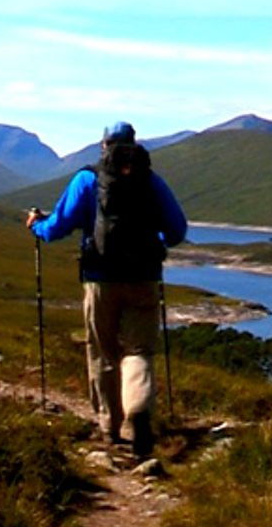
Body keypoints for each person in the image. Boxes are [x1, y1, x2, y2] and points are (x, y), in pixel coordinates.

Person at [27, 121, 187, 458]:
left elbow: (58, 226)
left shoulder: (88, 179)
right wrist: (155, 240)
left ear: (103, 145)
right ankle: (139, 412)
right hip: (143, 278)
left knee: (103, 352)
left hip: (100, 278)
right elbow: (177, 229)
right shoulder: (151, 181)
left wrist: (36, 227)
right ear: (133, 144)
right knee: (139, 350)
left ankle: (110, 427)